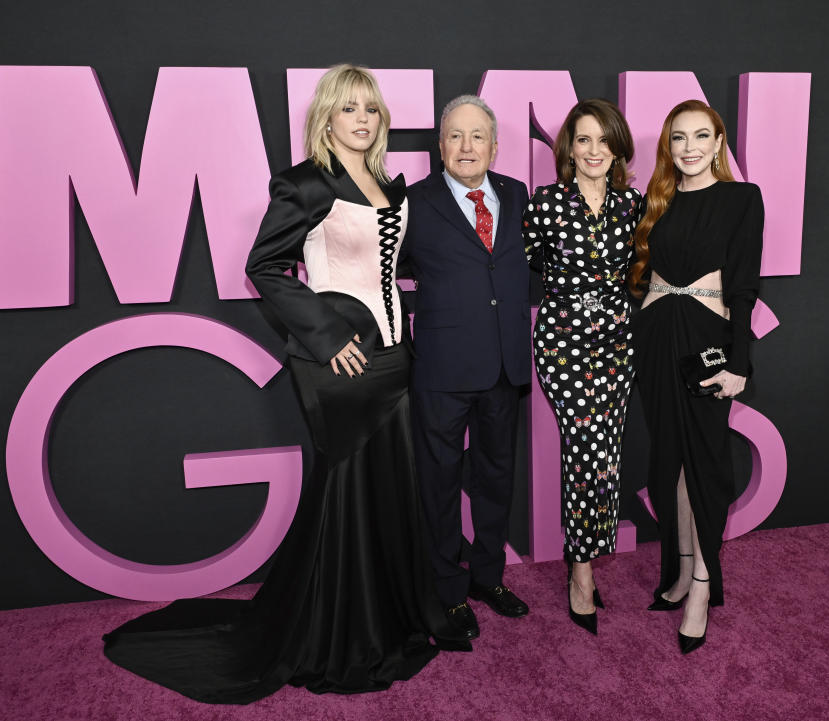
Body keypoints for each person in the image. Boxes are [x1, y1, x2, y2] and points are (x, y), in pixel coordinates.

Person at [102, 64, 463, 704]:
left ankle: (389, 616)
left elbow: (391, 262)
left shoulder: (385, 184)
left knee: (387, 490)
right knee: (345, 493)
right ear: (326, 117)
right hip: (341, 364)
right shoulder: (305, 184)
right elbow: (265, 265)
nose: (362, 119)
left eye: (370, 109)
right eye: (348, 108)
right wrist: (327, 338)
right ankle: (341, 634)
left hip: (394, 359)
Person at [628, 99, 764, 654]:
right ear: (668, 145)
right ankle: (682, 570)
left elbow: (745, 287)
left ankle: (704, 588)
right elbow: (639, 277)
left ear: (718, 141)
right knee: (668, 463)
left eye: (700, 136)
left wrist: (738, 363)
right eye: (678, 138)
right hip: (657, 338)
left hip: (707, 343)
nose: (689, 148)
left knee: (705, 462)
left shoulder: (740, 199)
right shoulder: (654, 201)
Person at [400, 95, 531, 640]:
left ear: (495, 146)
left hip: (504, 365)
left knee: (496, 478)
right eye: (455, 136)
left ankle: (488, 576)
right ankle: (446, 589)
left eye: (477, 136)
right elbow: (392, 272)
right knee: (440, 482)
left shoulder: (518, 195)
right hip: (442, 369)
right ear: (440, 146)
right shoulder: (412, 202)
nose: (466, 146)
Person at [522, 99, 641, 634]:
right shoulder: (545, 203)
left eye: (603, 140)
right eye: (583, 140)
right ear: (568, 147)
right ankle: (581, 570)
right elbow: (522, 268)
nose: (594, 150)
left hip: (617, 344)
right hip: (563, 345)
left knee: (607, 451)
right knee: (586, 445)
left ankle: (587, 559)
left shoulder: (633, 204)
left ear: (618, 147)